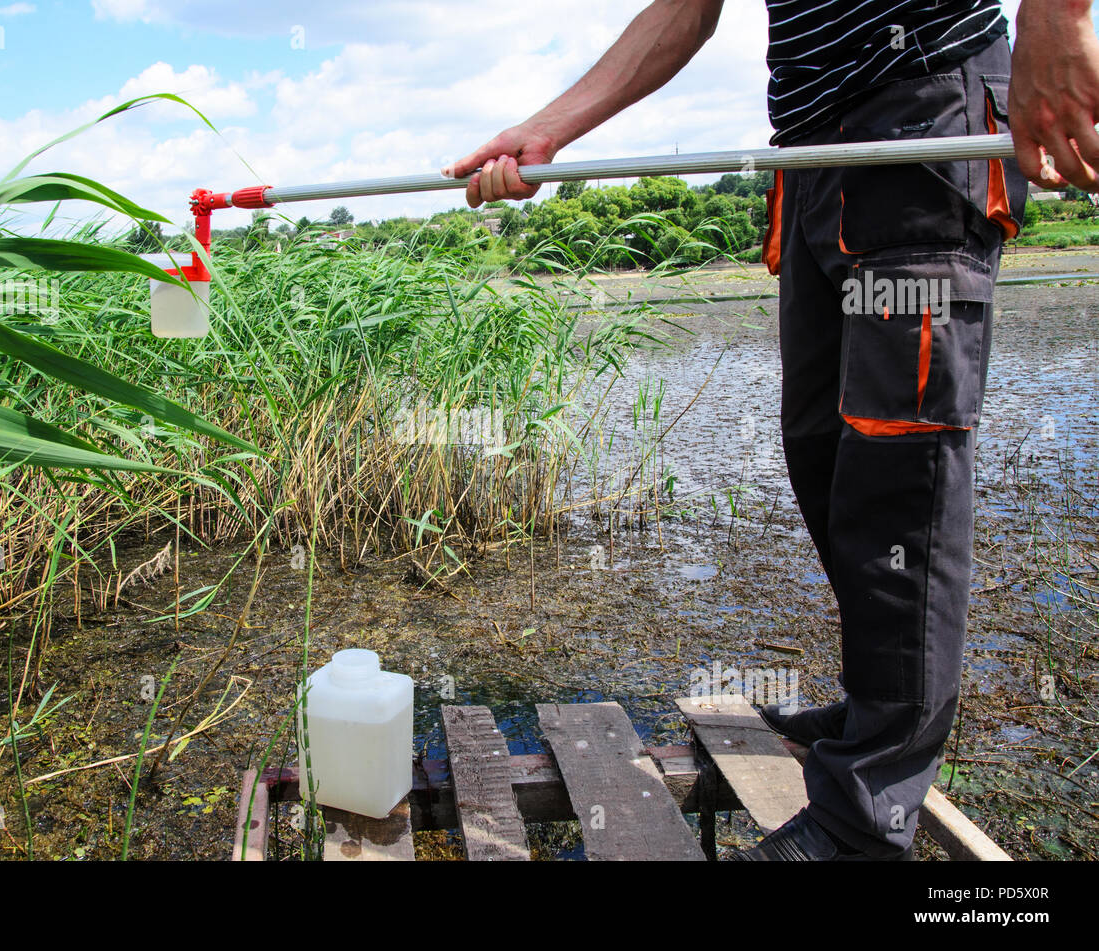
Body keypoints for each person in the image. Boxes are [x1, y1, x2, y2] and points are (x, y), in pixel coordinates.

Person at [446, 0, 1099, 860]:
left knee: (898, 470)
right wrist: (548, 130)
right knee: (821, 450)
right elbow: (688, 7)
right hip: (813, 151)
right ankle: (875, 706)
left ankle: (860, 824)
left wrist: (1058, 16)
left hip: (922, 122)